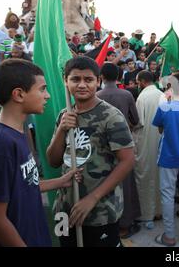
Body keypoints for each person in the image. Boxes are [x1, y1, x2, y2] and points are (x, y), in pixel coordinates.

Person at [0, 59, 81, 247]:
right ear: (19, 94)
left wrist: (61, 181)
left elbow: (22, 185)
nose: (47, 96)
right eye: (42, 89)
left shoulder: (16, 132)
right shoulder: (1, 143)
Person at [46, 57, 135, 247]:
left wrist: (92, 198)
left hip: (100, 211)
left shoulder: (111, 116)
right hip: (65, 208)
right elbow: (53, 161)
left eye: (88, 79)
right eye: (75, 79)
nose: (82, 85)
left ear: (98, 81)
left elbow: (127, 161)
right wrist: (62, 129)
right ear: (65, 81)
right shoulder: (64, 114)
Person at [96, 62, 141, 239]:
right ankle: (125, 224)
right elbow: (136, 120)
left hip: (102, 147)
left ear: (101, 77)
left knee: (104, 182)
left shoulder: (97, 95)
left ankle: (108, 222)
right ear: (120, 76)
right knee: (126, 182)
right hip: (124, 146)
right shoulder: (126, 94)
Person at [152, 73, 179, 246]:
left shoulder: (164, 107)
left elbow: (160, 130)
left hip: (168, 157)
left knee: (167, 195)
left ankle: (169, 235)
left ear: (170, 87)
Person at [134, 70, 165, 229]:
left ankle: (147, 213)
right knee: (159, 176)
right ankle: (159, 211)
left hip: (145, 142)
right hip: (160, 141)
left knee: (145, 176)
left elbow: (138, 123)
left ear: (142, 81)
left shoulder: (142, 97)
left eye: (137, 81)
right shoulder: (162, 95)